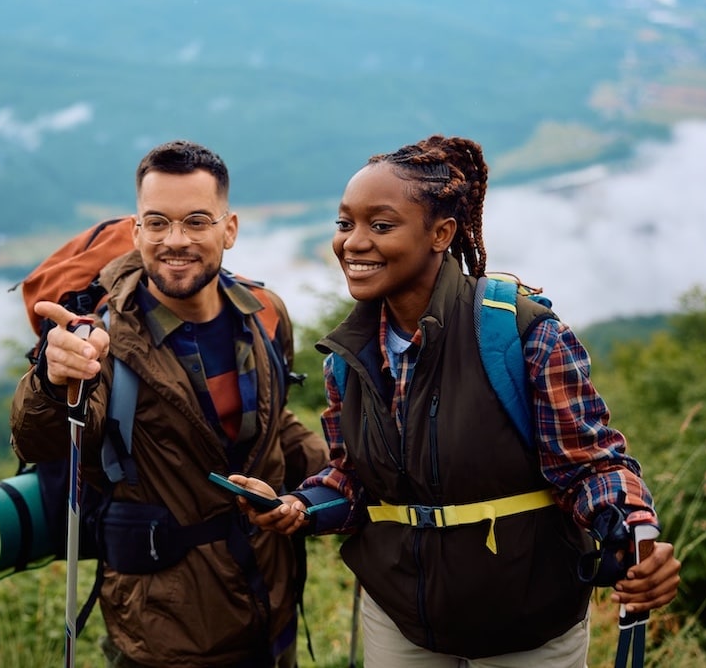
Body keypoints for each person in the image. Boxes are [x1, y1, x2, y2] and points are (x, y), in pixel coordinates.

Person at [233, 135, 681, 667]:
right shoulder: (346, 360)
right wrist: (297, 507)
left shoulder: (519, 334)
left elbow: (589, 466)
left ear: (441, 233)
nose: (353, 243)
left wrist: (634, 532)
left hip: (527, 622)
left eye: (380, 225)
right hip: (400, 621)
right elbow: (354, 480)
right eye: (344, 223)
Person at [9, 140, 329, 667]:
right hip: (164, 637)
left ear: (228, 229)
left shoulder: (264, 314)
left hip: (271, 611)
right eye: (157, 223)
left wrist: (344, 478)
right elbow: (44, 439)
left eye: (196, 221)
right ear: (136, 232)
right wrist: (50, 377)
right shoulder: (101, 340)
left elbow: (274, 427)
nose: (174, 241)